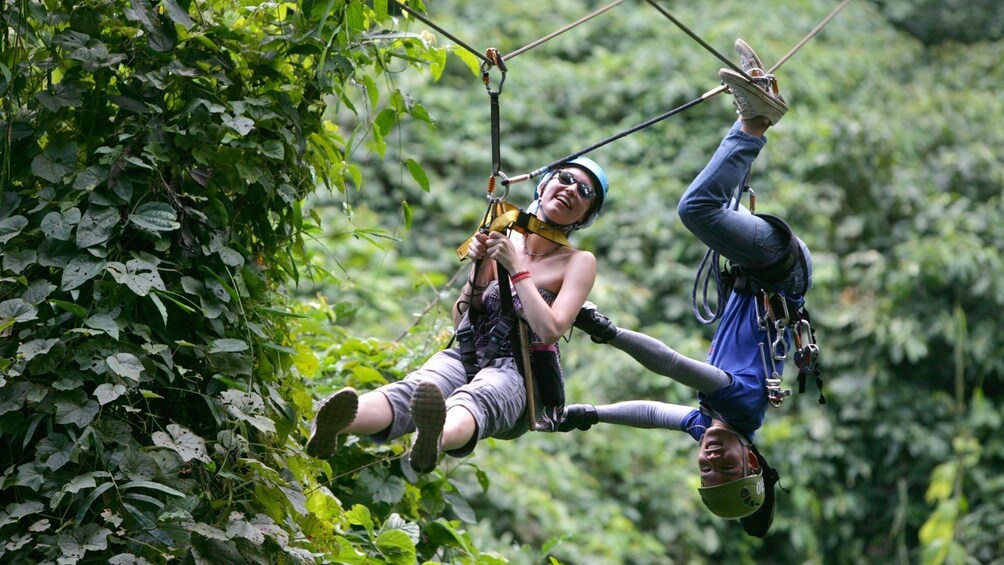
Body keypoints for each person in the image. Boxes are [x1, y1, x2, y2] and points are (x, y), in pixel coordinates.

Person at [561, 39, 813, 538]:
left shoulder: (710, 423)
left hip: (758, 275)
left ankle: (757, 97)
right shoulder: (742, 409)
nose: (712, 459)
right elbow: (677, 366)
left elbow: (655, 413)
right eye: (727, 467)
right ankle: (755, 120)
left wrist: (592, 413)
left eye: (706, 470)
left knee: (710, 204)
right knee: (697, 209)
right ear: (754, 461)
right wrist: (608, 332)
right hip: (780, 275)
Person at [306, 156, 610, 474]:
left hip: (520, 374)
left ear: (586, 215)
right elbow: (461, 320)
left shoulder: (579, 262)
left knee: (477, 397)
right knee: (418, 387)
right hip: (470, 354)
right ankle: (337, 423)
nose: (572, 188)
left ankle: (435, 439)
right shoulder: (506, 234)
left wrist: (516, 269)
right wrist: (478, 272)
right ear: (544, 185)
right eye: (565, 178)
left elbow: (550, 330)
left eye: (585, 191)